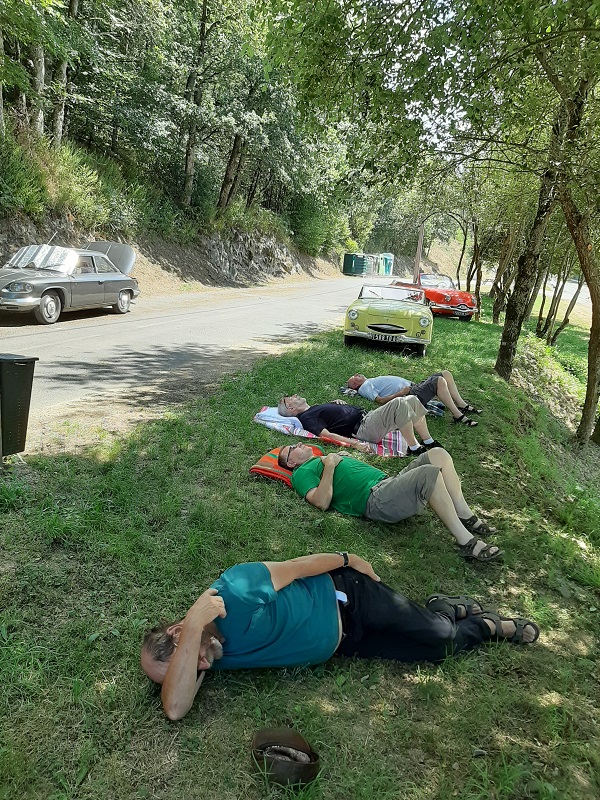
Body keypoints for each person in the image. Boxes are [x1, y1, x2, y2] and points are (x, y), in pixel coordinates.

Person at [140, 552, 539, 720]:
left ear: (178, 632)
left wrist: (349, 559)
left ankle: (488, 625)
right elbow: (175, 708)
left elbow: (297, 567)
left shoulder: (236, 591)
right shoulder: (203, 652)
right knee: (438, 652)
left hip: (350, 597)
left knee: (442, 635)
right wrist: (193, 632)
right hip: (348, 645)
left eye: (186, 660)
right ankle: (447, 608)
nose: (201, 668)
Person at [278, 444, 501, 562]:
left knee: (438, 454)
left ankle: (464, 514)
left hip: (388, 483)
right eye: (292, 448)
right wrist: (330, 465)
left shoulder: (322, 458)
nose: (299, 443)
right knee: (428, 473)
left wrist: (336, 459)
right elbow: (321, 502)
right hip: (376, 499)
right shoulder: (301, 473)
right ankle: (466, 541)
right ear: (291, 463)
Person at [277, 393, 441, 455]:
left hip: (367, 418)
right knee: (399, 402)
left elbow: (332, 418)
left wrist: (336, 406)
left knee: (411, 399)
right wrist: (355, 444)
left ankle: (428, 441)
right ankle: (414, 447)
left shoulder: (313, 409)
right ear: (290, 408)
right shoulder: (307, 418)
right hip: (364, 428)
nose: (295, 395)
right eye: (290, 398)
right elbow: (327, 435)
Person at [346, 371, 481, 427]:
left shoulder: (369, 381)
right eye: (354, 377)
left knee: (445, 373)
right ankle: (457, 415)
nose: (357, 375)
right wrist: (401, 392)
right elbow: (380, 401)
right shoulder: (364, 387)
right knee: (439, 381)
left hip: (413, 388)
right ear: (354, 386)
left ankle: (462, 405)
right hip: (409, 395)